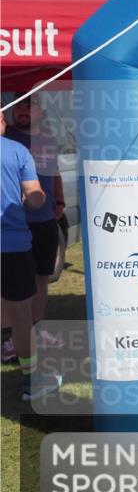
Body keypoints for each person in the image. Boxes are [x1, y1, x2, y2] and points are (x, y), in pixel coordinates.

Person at [1, 112, 62, 400]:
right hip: (12, 246)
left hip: (13, 244)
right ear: (1, 121)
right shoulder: (16, 150)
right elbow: (35, 194)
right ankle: (31, 381)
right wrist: (33, 199)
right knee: (21, 317)